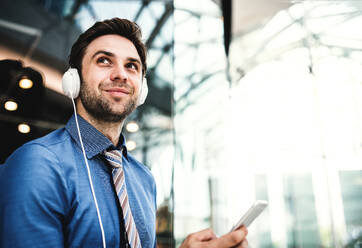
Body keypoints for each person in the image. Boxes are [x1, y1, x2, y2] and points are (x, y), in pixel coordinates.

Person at [0, 18, 248, 248]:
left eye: (131, 66)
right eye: (104, 61)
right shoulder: (37, 163)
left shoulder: (143, 178)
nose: (120, 74)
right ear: (73, 79)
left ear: (142, 90)